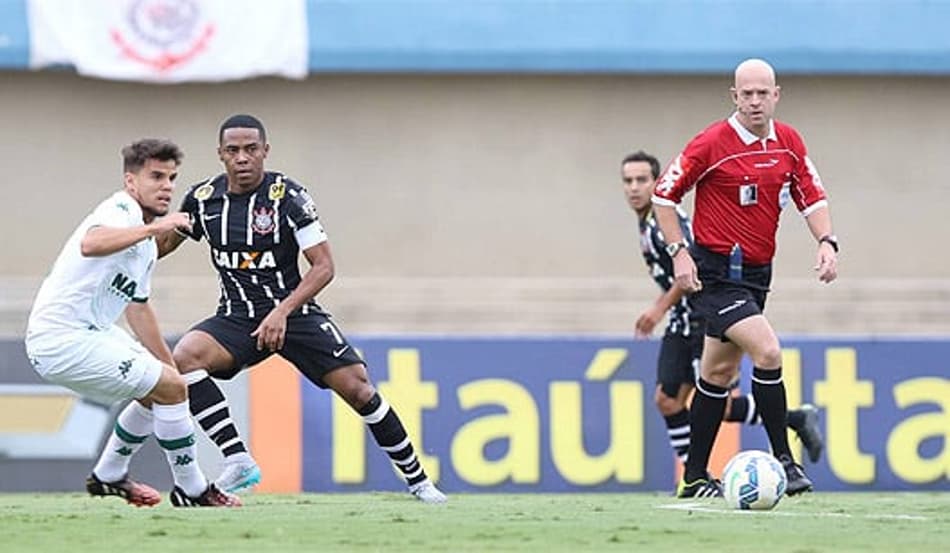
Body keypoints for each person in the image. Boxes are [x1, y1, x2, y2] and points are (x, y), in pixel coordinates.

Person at [154, 114, 447, 503]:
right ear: (221, 155)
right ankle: (238, 459)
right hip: (237, 317)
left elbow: (323, 266)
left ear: (265, 151)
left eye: (251, 149)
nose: (243, 158)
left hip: (296, 314)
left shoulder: (287, 197)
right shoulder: (204, 199)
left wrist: (281, 312)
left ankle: (419, 481)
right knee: (186, 357)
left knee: (359, 390)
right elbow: (165, 246)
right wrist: (140, 236)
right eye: (234, 150)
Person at [651, 58, 839, 498]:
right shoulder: (712, 142)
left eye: (762, 93)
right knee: (769, 352)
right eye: (746, 93)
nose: (755, 101)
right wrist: (680, 252)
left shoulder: (789, 142)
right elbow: (664, 194)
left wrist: (827, 241)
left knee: (717, 372)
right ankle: (786, 462)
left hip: (757, 275)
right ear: (734, 96)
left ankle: (695, 475)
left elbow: (811, 195)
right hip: (717, 274)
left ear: (776, 94)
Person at [24, 139, 241, 508]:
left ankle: (109, 475)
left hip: (90, 333)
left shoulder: (141, 245)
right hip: (60, 339)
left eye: (172, 178)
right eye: (156, 176)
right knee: (169, 388)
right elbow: (91, 244)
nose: (167, 186)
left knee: (161, 387)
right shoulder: (120, 209)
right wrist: (156, 230)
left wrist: (170, 370)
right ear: (130, 181)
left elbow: (138, 309)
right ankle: (193, 490)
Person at [622, 150, 823, 471]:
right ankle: (697, 474)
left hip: (703, 314)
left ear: (657, 183)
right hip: (682, 320)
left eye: (642, 180)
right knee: (667, 399)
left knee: (715, 398)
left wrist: (658, 309)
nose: (634, 187)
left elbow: (691, 265)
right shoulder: (647, 224)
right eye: (628, 181)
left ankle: (784, 424)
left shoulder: (665, 226)